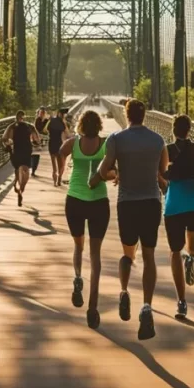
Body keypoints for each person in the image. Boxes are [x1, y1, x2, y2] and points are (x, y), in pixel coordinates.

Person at [89, 97, 168, 340]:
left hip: (127, 204)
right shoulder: (158, 140)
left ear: (126, 114)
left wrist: (117, 173)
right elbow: (163, 174)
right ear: (144, 116)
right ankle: (146, 306)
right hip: (152, 203)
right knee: (149, 255)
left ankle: (124, 292)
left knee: (128, 254)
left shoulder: (116, 139)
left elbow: (103, 171)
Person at [58, 109, 115, 329]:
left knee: (78, 246)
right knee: (95, 255)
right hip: (99, 202)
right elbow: (110, 171)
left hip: (74, 201)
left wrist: (62, 170)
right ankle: (93, 306)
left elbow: (59, 152)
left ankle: (78, 277)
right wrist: (113, 176)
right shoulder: (106, 144)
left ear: (81, 125)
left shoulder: (73, 143)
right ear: (100, 125)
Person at [164, 114, 194, 319]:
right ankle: (190, 257)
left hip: (173, 205)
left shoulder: (165, 151)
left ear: (173, 129)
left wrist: (165, 181)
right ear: (189, 129)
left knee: (174, 252)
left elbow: (157, 170)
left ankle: (181, 301)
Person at [2, 111, 39, 207]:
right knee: (25, 170)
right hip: (26, 150)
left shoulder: (11, 126)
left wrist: (7, 146)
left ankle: (17, 185)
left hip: (16, 151)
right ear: (24, 117)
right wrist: (36, 142)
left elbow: (4, 138)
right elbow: (36, 139)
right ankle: (21, 189)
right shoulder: (29, 126)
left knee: (18, 168)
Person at [47, 108, 69, 186]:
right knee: (61, 165)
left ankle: (55, 182)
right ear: (60, 113)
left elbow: (46, 130)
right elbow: (67, 134)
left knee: (54, 166)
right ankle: (59, 179)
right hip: (59, 144)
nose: (63, 115)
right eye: (63, 114)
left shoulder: (51, 121)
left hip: (51, 143)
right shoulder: (62, 123)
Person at [32, 106, 49, 177]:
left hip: (41, 141)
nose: (42, 114)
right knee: (35, 155)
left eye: (43, 113)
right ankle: (32, 170)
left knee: (37, 155)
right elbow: (39, 129)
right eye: (41, 113)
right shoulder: (37, 120)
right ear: (38, 113)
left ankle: (33, 170)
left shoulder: (45, 120)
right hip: (35, 140)